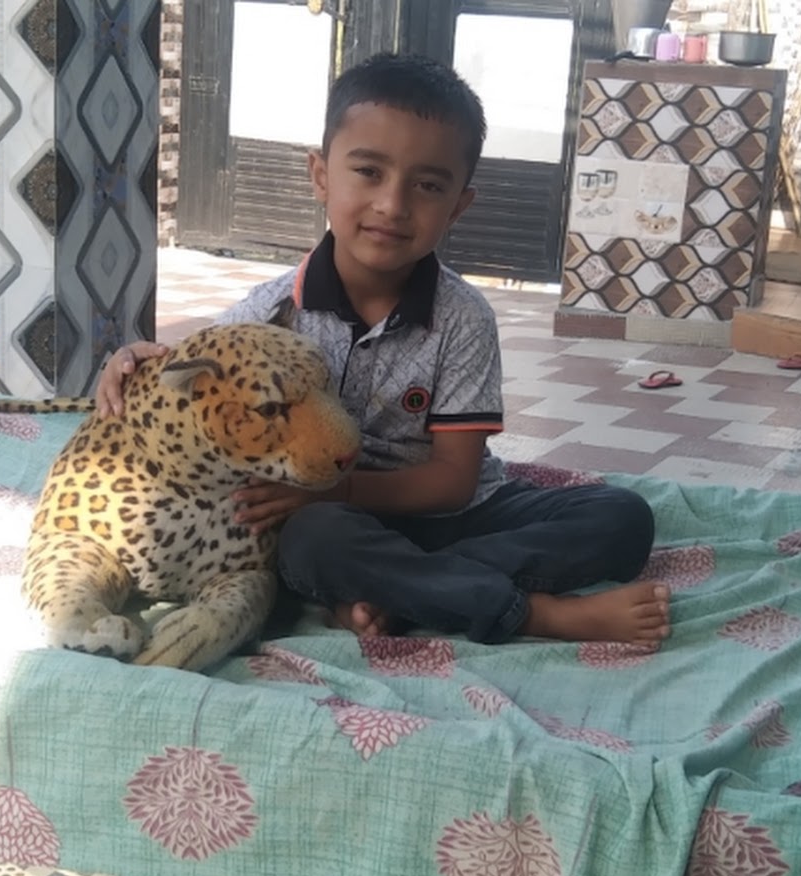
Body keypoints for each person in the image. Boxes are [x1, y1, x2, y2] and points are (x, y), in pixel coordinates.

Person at [98, 52, 670, 648]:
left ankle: (401, 591)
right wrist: (131, 364)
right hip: (335, 523)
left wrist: (341, 492)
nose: (393, 205)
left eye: (428, 186)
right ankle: (529, 615)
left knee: (622, 517)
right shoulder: (271, 313)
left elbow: (453, 482)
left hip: (453, 516)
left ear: (459, 205)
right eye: (369, 172)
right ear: (321, 174)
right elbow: (197, 374)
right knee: (311, 541)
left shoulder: (463, 318)